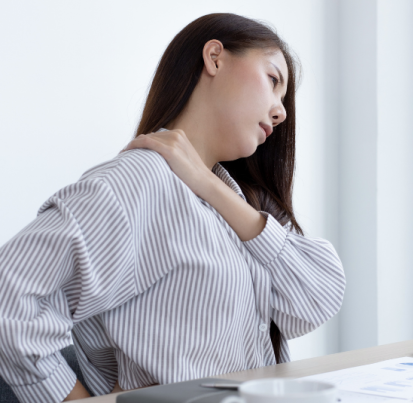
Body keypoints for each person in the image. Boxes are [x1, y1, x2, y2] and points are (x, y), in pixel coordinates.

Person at [0, 13, 345, 402]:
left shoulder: (229, 197)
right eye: (272, 80)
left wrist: (207, 184)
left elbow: (320, 294)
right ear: (215, 57)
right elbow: (9, 294)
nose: (281, 112)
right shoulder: (138, 181)